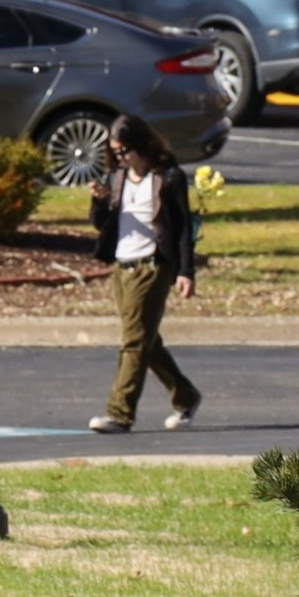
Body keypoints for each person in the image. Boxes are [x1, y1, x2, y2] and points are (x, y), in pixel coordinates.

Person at [88, 112, 201, 435]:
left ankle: (119, 414)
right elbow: (100, 224)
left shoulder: (168, 178)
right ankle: (186, 395)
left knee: (133, 341)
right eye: (115, 152)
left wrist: (186, 271)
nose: (120, 157)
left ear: (141, 144)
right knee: (145, 341)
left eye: (124, 150)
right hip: (121, 268)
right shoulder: (117, 178)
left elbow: (181, 229)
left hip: (152, 267)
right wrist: (98, 203)